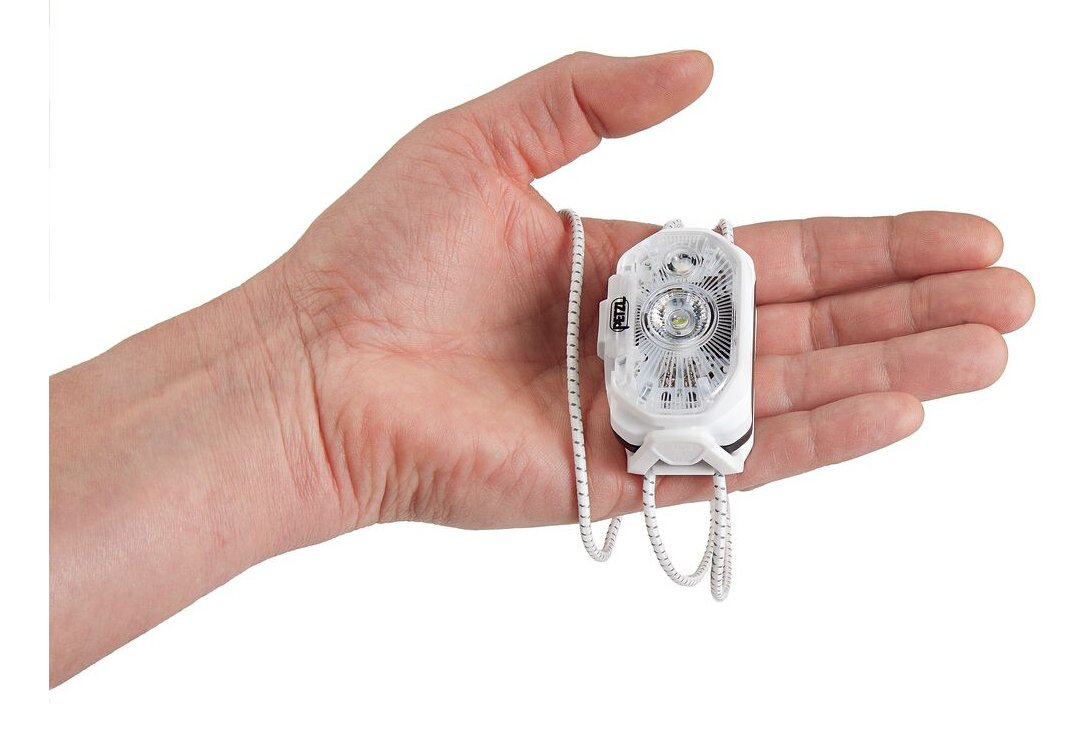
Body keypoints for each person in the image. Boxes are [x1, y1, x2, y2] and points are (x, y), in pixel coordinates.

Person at [49, 50, 1035, 687]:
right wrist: (304, 381)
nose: (678, 313)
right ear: (618, 318)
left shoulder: (669, 292)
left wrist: (302, 391)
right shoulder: (649, 297)